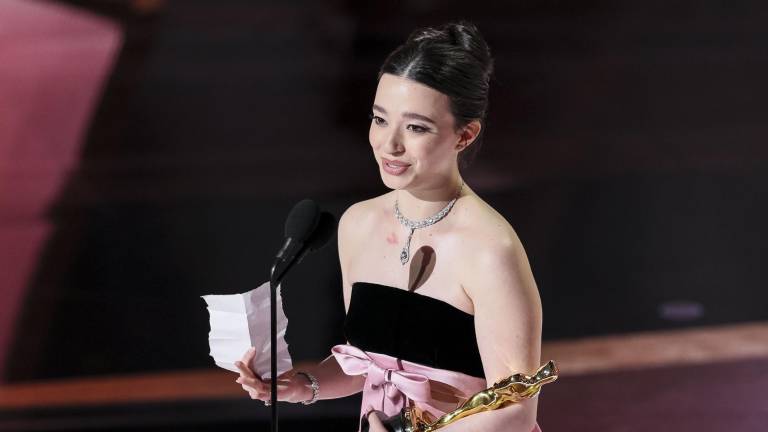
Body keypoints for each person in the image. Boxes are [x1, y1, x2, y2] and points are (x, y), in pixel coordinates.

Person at [234, 21, 544, 432]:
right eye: (380, 120)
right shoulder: (359, 223)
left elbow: (515, 412)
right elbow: (366, 363)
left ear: (465, 135)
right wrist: (301, 386)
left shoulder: (489, 247)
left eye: (416, 127)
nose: (389, 144)